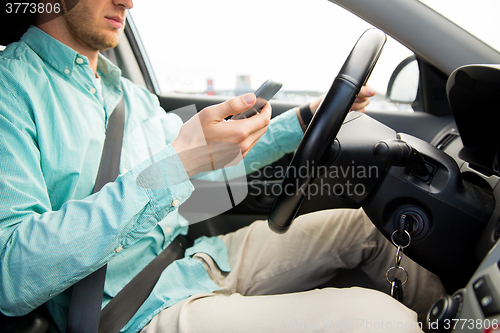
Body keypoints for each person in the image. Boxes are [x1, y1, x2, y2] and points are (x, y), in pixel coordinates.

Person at [0, 0, 445, 332]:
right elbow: (12, 275)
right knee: (377, 319)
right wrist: (176, 164)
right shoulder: (11, 88)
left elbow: (198, 176)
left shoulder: (127, 94)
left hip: (192, 260)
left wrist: (305, 121)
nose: (128, 2)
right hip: (130, 311)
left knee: (370, 226)